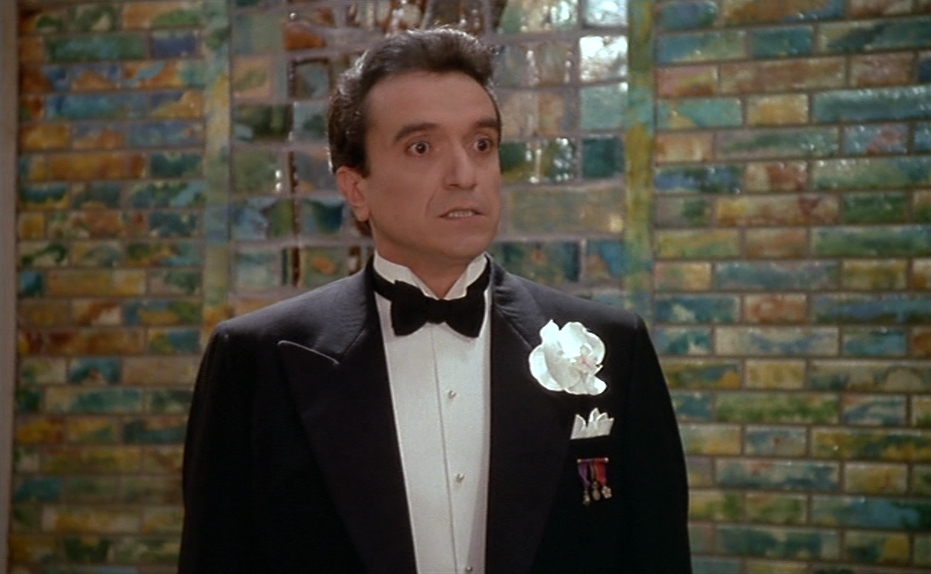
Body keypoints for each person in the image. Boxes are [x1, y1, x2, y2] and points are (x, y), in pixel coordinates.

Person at [179, 28, 691, 574]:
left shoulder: (614, 346)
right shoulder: (256, 359)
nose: (464, 176)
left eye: (482, 144)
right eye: (422, 148)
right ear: (356, 190)